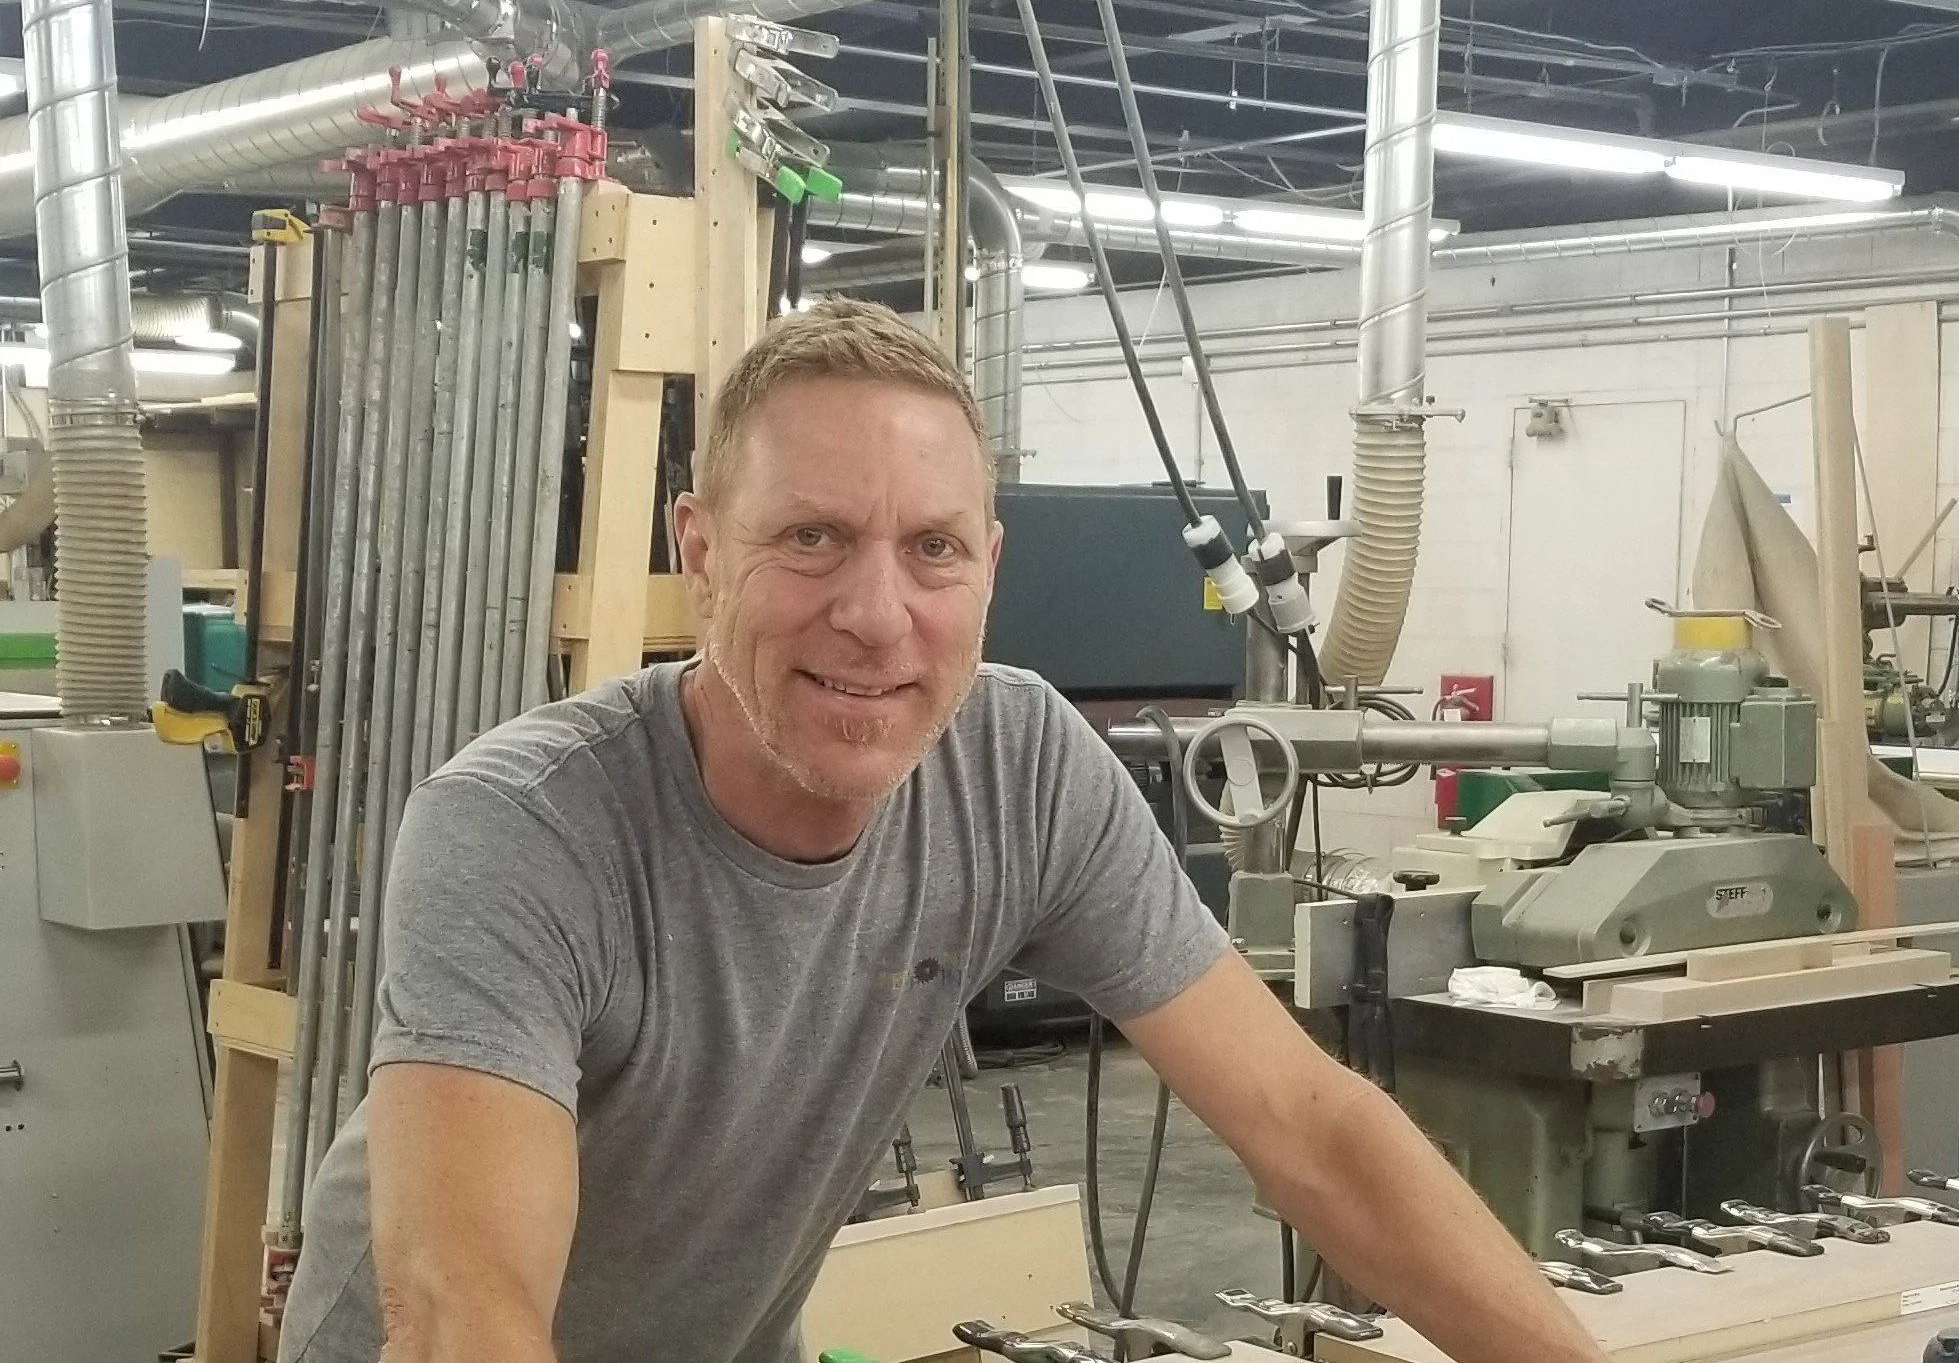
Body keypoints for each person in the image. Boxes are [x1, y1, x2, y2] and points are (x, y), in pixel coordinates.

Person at [279, 297, 1607, 1363]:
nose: (876, 615)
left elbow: (1309, 1127)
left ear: (990, 565)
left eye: (932, 548)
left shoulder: (1019, 767)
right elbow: (464, 1304)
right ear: (700, 549)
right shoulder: (525, 827)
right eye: (811, 537)